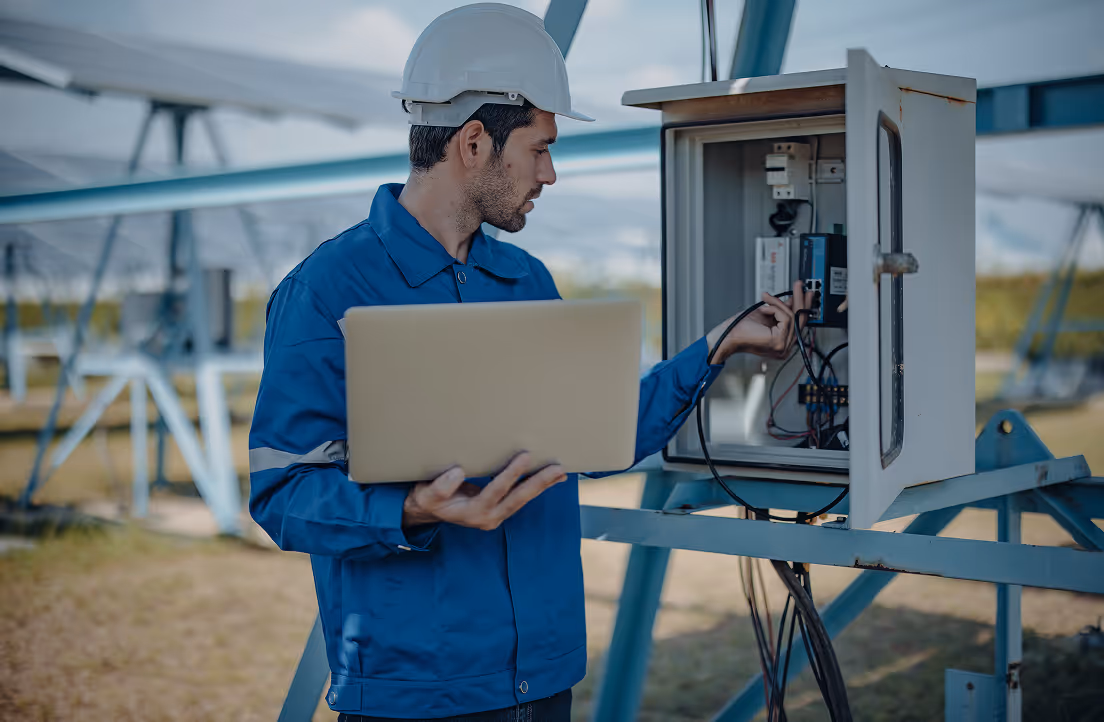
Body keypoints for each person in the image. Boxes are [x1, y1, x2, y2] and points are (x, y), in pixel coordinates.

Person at [248, 5, 809, 721]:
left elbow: (594, 435)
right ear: (475, 141)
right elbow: (283, 494)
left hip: (542, 680)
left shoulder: (526, 282)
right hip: (417, 692)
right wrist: (413, 509)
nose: (550, 173)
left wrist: (717, 346)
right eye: (539, 149)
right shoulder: (326, 290)